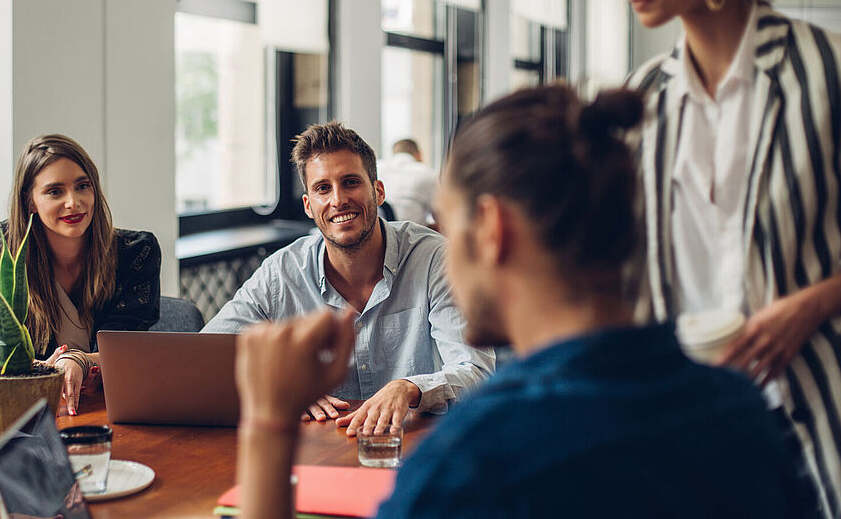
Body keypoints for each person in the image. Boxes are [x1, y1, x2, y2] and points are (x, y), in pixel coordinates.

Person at [232, 86, 818, 518]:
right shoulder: (742, 414)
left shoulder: (476, 462)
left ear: (490, 231)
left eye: (450, 226)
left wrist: (264, 428)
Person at [615, 0, 841, 513]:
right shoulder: (640, 102)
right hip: (681, 426)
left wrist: (816, 301)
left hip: (816, 412)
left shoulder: (826, 72)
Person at [202, 122, 493, 433]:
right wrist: (280, 388)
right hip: (318, 453)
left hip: (415, 447)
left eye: (351, 182)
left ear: (378, 191)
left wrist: (411, 388)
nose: (338, 200)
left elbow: (476, 371)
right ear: (308, 206)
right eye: (323, 188)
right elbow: (203, 360)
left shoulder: (437, 258)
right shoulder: (281, 273)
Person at [0, 134, 160, 416]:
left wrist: (79, 360)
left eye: (82, 186)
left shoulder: (136, 253)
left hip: (113, 410)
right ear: (30, 202)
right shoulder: (5, 249)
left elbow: (128, 350)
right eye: (54, 191)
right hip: (32, 412)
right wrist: (42, 371)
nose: (73, 202)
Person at [375, 138, 438, 226]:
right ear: (418, 154)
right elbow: (438, 215)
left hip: (380, 232)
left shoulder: (377, 168)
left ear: (394, 153)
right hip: (414, 235)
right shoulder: (427, 173)